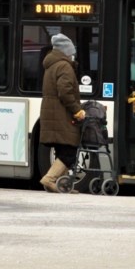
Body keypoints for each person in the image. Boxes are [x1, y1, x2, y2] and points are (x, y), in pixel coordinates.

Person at [39, 33, 86, 193]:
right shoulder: (64, 66)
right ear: (66, 51)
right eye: (71, 51)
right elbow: (65, 92)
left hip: (53, 113)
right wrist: (77, 110)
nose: (73, 54)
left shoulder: (52, 64)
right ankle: (50, 179)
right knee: (69, 151)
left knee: (62, 149)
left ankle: (63, 185)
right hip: (61, 114)